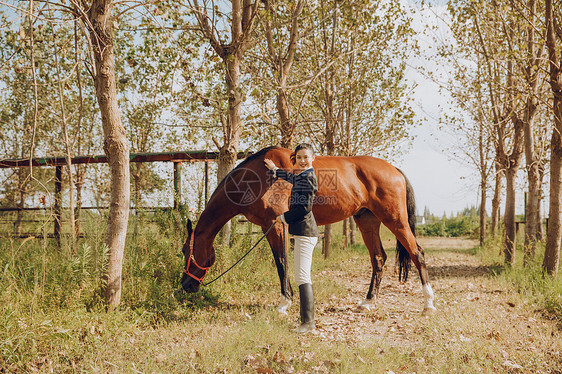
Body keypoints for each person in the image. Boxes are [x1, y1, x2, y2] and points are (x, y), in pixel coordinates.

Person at [264, 143, 319, 333]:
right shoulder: (303, 176)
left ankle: (308, 324)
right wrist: (276, 170)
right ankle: (306, 321)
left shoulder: (309, 179)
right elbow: (292, 179)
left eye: (306, 157)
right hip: (303, 232)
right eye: (299, 158)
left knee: (303, 276)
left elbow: (304, 209)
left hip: (305, 232)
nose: (302, 161)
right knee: (301, 276)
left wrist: (283, 217)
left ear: (313, 158)